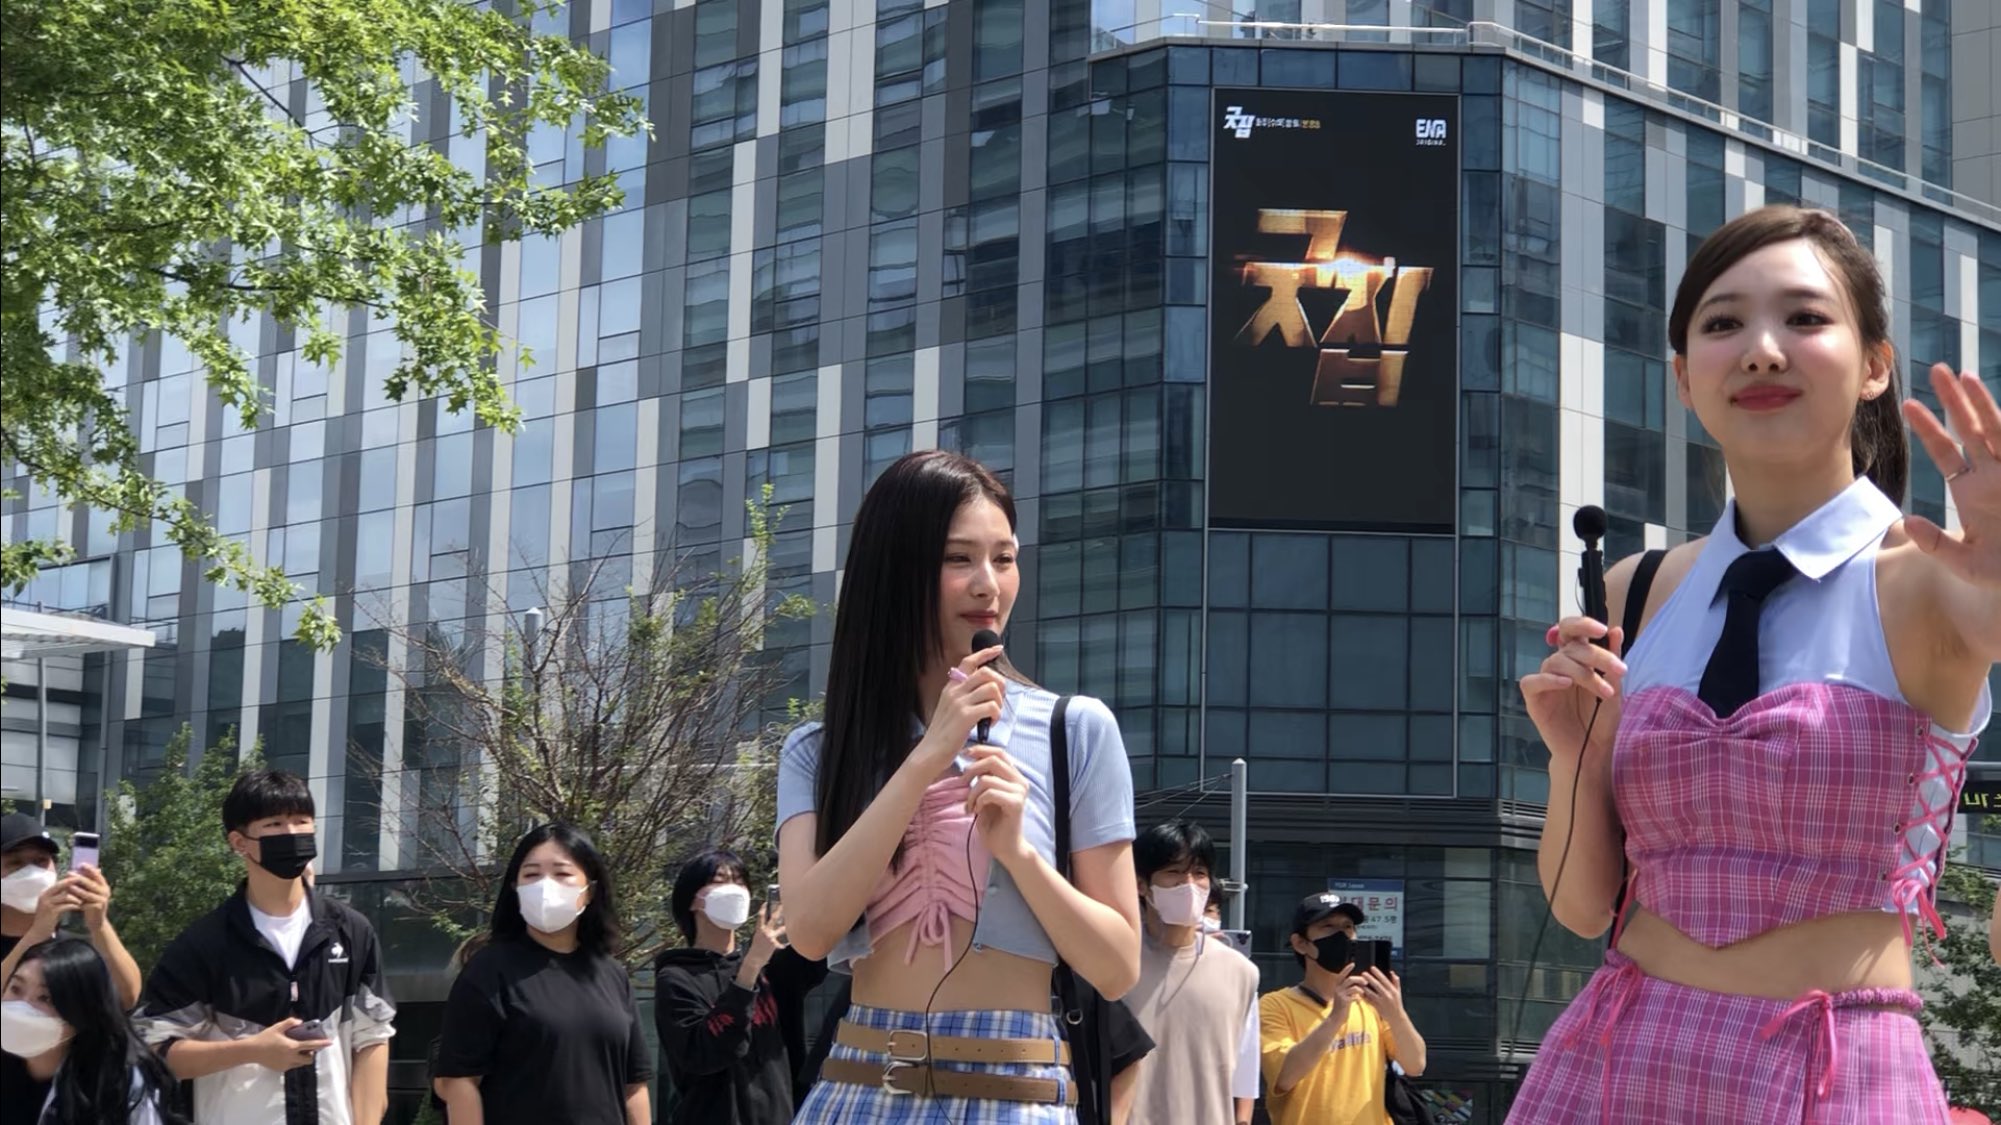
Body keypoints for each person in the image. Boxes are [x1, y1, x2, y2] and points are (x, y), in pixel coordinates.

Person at [1510, 205, 2000, 1122]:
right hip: (1616, 1059)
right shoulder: (1634, 589)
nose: (1762, 351)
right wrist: (1573, 756)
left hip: (1831, 1071)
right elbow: (1582, 907)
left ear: (1873, 365)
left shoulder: (1935, 578)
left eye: (1804, 318)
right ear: (1682, 378)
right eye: (1723, 323)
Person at [777, 449, 1142, 1122]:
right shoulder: (821, 749)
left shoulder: (1075, 730)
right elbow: (808, 931)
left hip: (1016, 1090)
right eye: (957, 559)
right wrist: (924, 760)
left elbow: (1118, 967)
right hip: (859, 1084)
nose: (987, 585)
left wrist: (1020, 855)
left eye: (1004, 558)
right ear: (895, 569)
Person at [134, 769, 394, 1125]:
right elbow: (155, 1049)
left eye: (302, 821)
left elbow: (373, 1037)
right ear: (239, 842)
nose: (292, 833)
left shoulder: (350, 931)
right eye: (274, 824)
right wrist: (251, 1051)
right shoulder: (205, 943)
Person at [434, 823, 652, 1125]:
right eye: (531, 875)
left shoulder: (613, 974)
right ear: (515, 887)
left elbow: (633, 1085)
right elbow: (460, 1082)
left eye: (562, 874)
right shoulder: (488, 970)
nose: (546, 886)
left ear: (590, 890)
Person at [654, 847, 826, 1125]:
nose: (734, 890)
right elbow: (708, 1053)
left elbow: (826, 942)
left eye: (739, 881)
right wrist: (750, 967)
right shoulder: (676, 978)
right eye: (720, 881)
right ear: (692, 900)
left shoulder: (774, 966)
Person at [1, 813, 143, 1120]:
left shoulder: (67, 950)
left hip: (62, 1099)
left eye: (40, 862)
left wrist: (98, 924)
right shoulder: (37, 941)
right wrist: (35, 934)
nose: (31, 872)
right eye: (15, 863)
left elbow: (126, 996)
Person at [1121, 821, 1259, 1125]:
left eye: (1199, 873)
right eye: (1173, 872)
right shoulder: (1114, 964)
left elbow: (1245, 1077)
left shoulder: (1241, 973)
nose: (1189, 885)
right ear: (1141, 884)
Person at [1259, 893, 1426, 1125]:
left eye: (1348, 927)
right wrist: (1336, 1017)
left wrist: (1396, 1013)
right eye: (1327, 926)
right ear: (1300, 943)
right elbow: (1284, 1078)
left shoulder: (1371, 1000)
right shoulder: (1275, 1005)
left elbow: (1415, 1065)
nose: (1341, 935)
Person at [3, 937, 184, 1124]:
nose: (21, 1007)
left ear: (81, 1012)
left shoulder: (117, 1087)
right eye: (15, 989)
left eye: (45, 998)